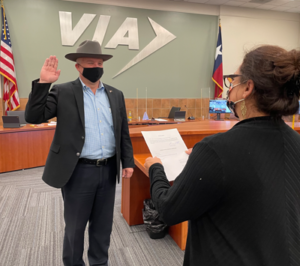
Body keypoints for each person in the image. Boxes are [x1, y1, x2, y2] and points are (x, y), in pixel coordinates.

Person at [144, 45, 300, 266]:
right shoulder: (295, 142)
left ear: (248, 88)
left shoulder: (216, 150)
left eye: (233, 81)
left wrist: (155, 168)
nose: (229, 89)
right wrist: (202, 163)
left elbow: (169, 210)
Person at [25, 40, 134, 266]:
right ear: (78, 66)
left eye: (99, 62)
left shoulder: (115, 94)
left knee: (103, 226)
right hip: (77, 171)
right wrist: (44, 83)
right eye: (89, 62)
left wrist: (128, 161)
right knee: (75, 227)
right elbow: (33, 117)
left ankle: (99, 262)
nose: (96, 66)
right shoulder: (63, 91)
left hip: (108, 170)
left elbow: (123, 131)